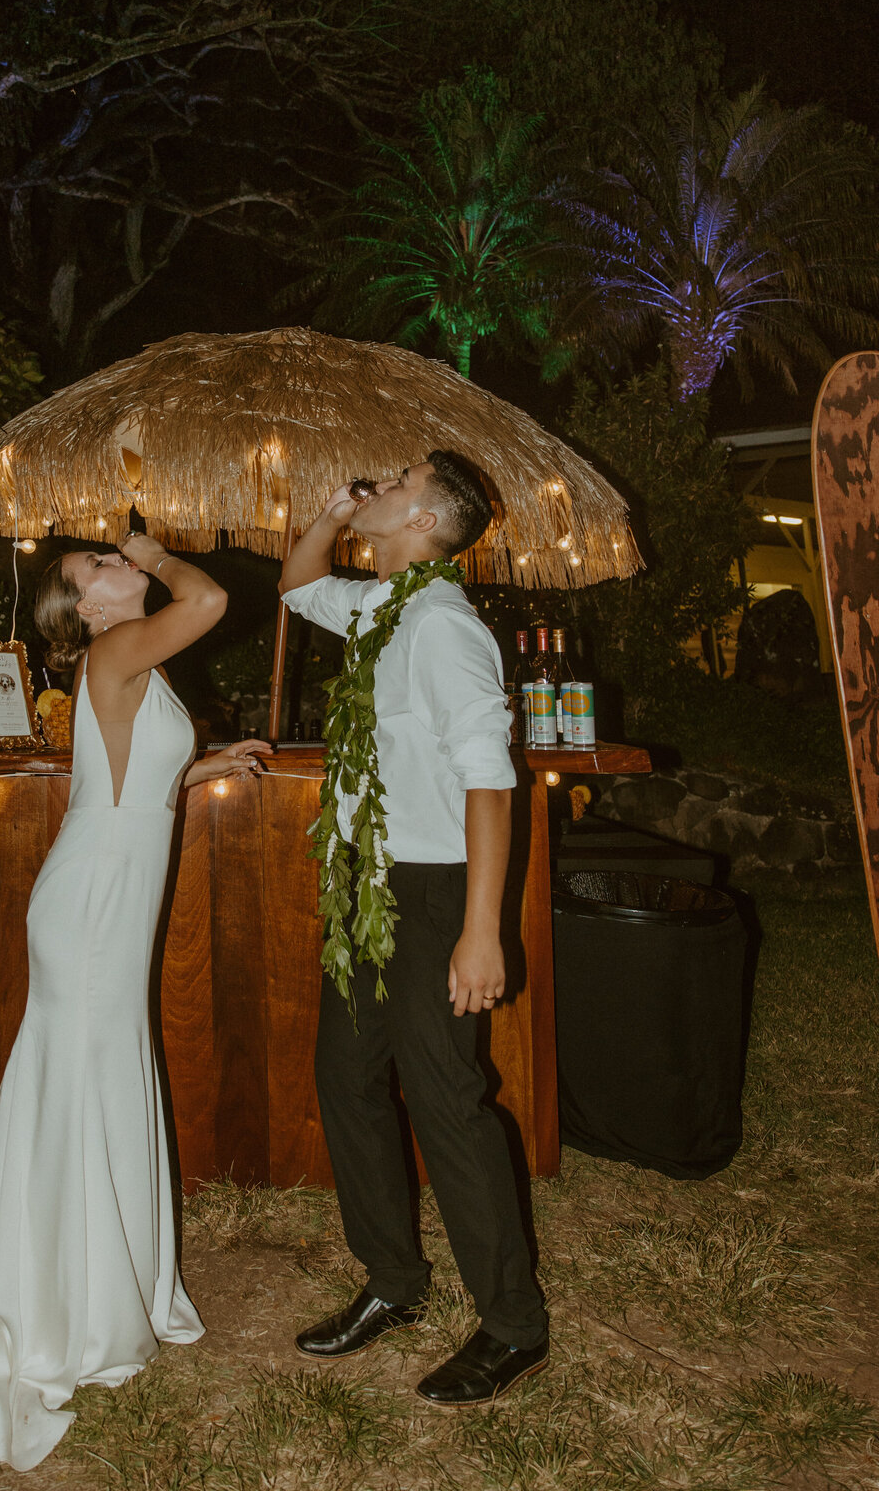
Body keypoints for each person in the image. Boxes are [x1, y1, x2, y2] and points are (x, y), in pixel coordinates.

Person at [0, 535, 271, 1471]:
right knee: (87, 1076)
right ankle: (61, 1300)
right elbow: (206, 602)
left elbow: (124, 782)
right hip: (91, 907)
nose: (120, 565)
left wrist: (204, 767)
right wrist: (158, 553)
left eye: (115, 560)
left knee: (104, 1073)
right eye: (100, 567)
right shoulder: (120, 646)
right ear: (89, 607)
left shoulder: (124, 659)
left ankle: (86, 1272)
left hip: (103, 895)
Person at [279, 451, 549, 1407]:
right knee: (346, 1082)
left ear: (426, 517)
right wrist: (327, 510)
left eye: (395, 480)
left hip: (434, 891)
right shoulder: (383, 606)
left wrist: (484, 931)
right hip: (366, 881)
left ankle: (514, 1326)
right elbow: (300, 585)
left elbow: (490, 782)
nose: (377, 481)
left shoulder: (442, 627)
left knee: (446, 1102)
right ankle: (394, 1281)